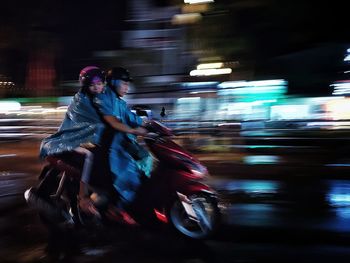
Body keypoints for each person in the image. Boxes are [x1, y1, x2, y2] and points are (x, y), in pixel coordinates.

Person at [40, 66, 108, 215]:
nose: (97, 87)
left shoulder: (103, 98)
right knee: (89, 156)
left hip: (86, 140)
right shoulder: (81, 101)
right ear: (86, 86)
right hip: (72, 140)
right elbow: (90, 122)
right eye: (92, 85)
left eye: (99, 83)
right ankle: (83, 197)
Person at [93, 67, 152, 208]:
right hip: (110, 147)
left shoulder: (120, 102)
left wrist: (149, 124)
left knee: (146, 158)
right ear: (113, 82)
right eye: (124, 83)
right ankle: (120, 206)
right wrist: (134, 130)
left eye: (128, 84)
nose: (127, 87)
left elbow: (131, 117)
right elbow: (114, 122)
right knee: (128, 172)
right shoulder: (104, 98)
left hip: (122, 143)